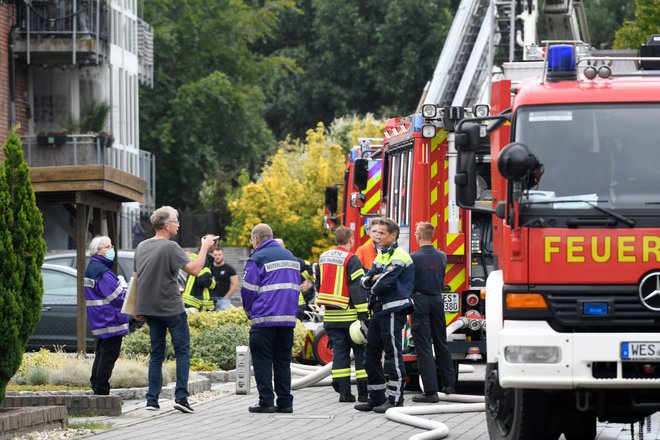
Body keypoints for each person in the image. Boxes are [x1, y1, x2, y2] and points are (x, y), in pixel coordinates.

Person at [134, 206, 218, 413]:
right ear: (166, 225)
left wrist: (136, 306)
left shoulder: (142, 246)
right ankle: (181, 398)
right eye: (176, 220)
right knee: (182, 352)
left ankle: (151, 401)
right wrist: (205, 246)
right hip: (171, 309)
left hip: (150, 309)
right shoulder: (171, 247)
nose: (179, 223)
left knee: (156, 354)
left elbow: (137, 278)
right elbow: (196, 270)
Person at [354, 218, 414, 413]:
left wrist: (375, 280)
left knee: (392, 356)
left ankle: (396, 399)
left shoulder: (400, 256)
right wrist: (373, 278)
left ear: (393, 235)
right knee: (370, 357)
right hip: (379, 311)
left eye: (381, 233)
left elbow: (382, 285)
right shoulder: (380, 256)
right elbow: (364, 282)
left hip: (392, 311)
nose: (377, 236)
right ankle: (376, 398)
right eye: (375, 232)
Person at [241, 224, 301, 414]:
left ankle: (266, 401)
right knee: (282, 361)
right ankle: (285, 403)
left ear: (256, 239)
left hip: (264, 319)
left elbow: (248, 291)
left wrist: (249, 311)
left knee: (262, 361)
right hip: (287, 320)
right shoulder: (291, 257)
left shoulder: (257, 258)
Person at [316, 226, 370, 403]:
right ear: (351, 239)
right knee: (361, 353)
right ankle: (363, 393)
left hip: (331, 317)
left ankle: (344, 393)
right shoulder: (351, 258)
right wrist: (363, 314)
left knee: (340, 353)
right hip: (350, 317)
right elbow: (357, 288)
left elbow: (319, 285)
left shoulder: (323, 257)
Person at [410, 222, 455, 403]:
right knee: (441, 342)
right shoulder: (442, 256)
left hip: (420, 301)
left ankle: (430, 391)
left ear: (419, 236)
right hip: (437, 300)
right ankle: (449, 384)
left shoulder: (413, 258)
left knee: (424, 346)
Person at [84, 235, 129, 396]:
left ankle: (96, 384)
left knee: (101, 353)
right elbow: (117, 297)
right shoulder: (103, 271)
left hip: (100, 319)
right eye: (108, 247)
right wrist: (125, 289)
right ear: (99, 251)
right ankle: (102, 390)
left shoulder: (93, 267)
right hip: (110, 319)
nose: (112, 250)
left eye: (111, 246)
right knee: (109, 355)